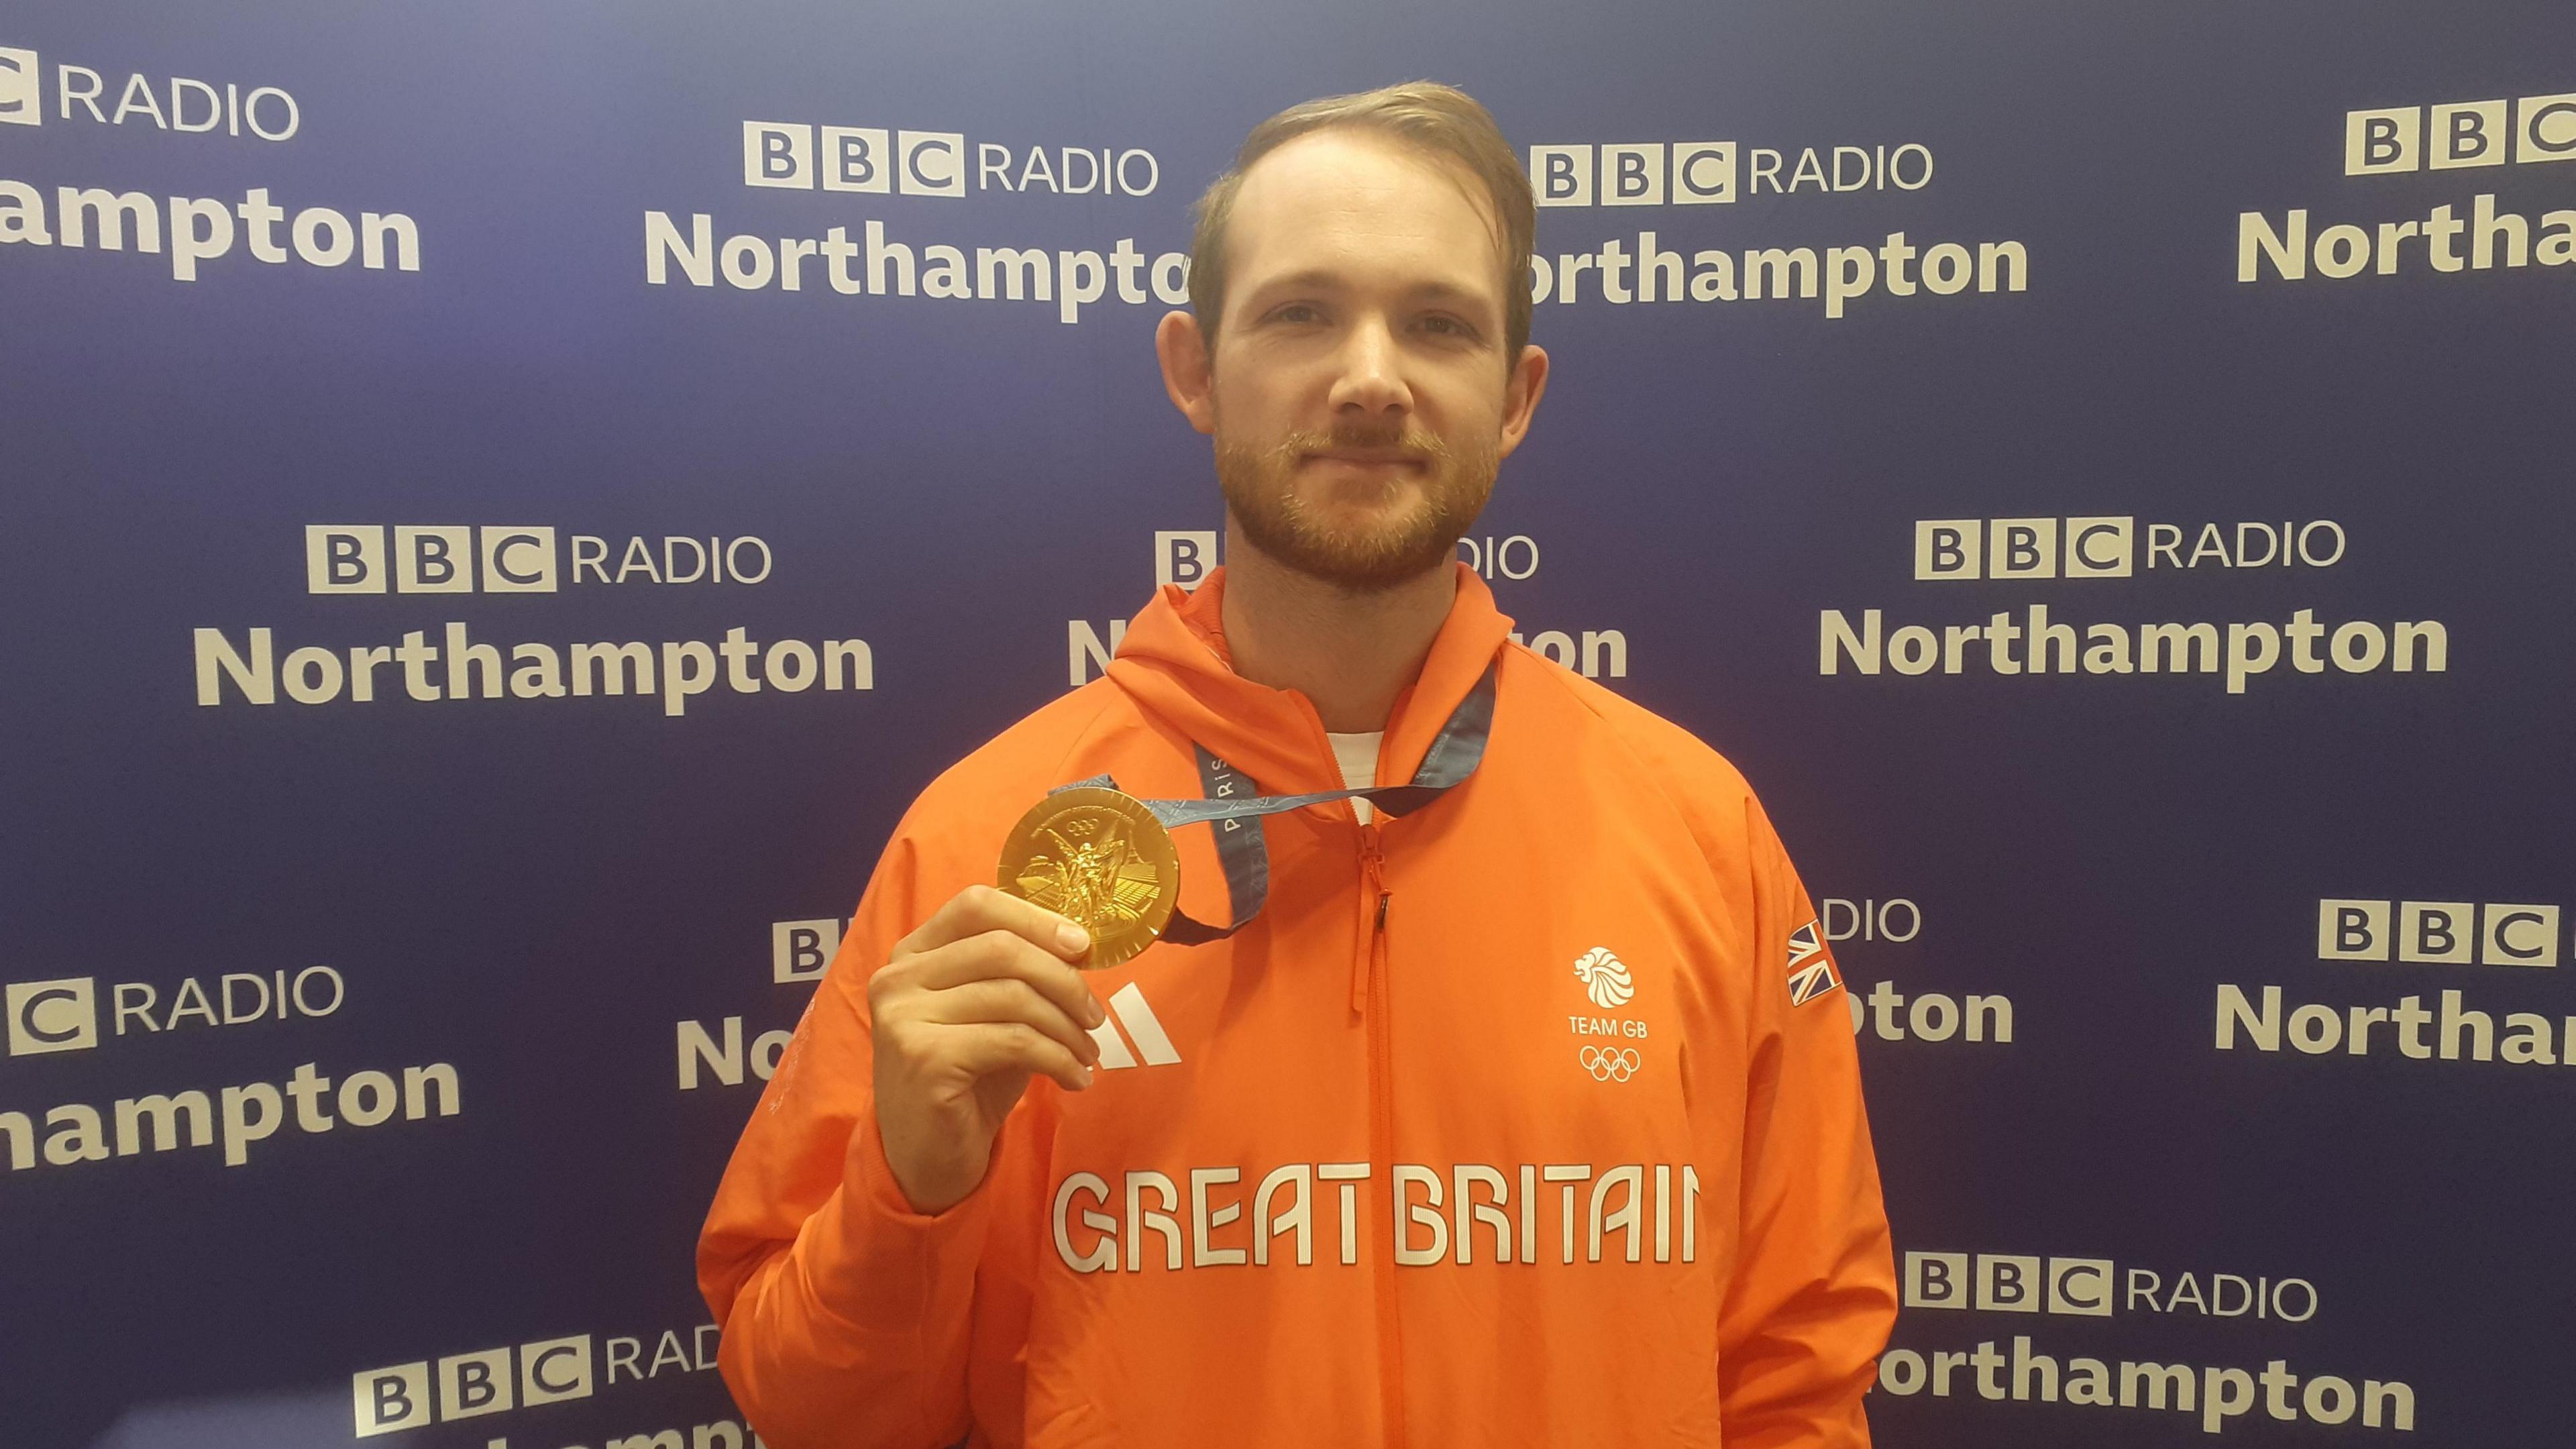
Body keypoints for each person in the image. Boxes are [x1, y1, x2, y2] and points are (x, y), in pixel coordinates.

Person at [697, 80, 1894, 1448]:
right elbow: (812, 1412)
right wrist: (908, 1194)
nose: (1371, 377)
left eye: (1438, 323)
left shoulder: (1699, 828)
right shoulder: (986, 837)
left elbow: (1798, 1367)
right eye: (1301, 312)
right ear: (1196, 369)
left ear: (1515, 396)